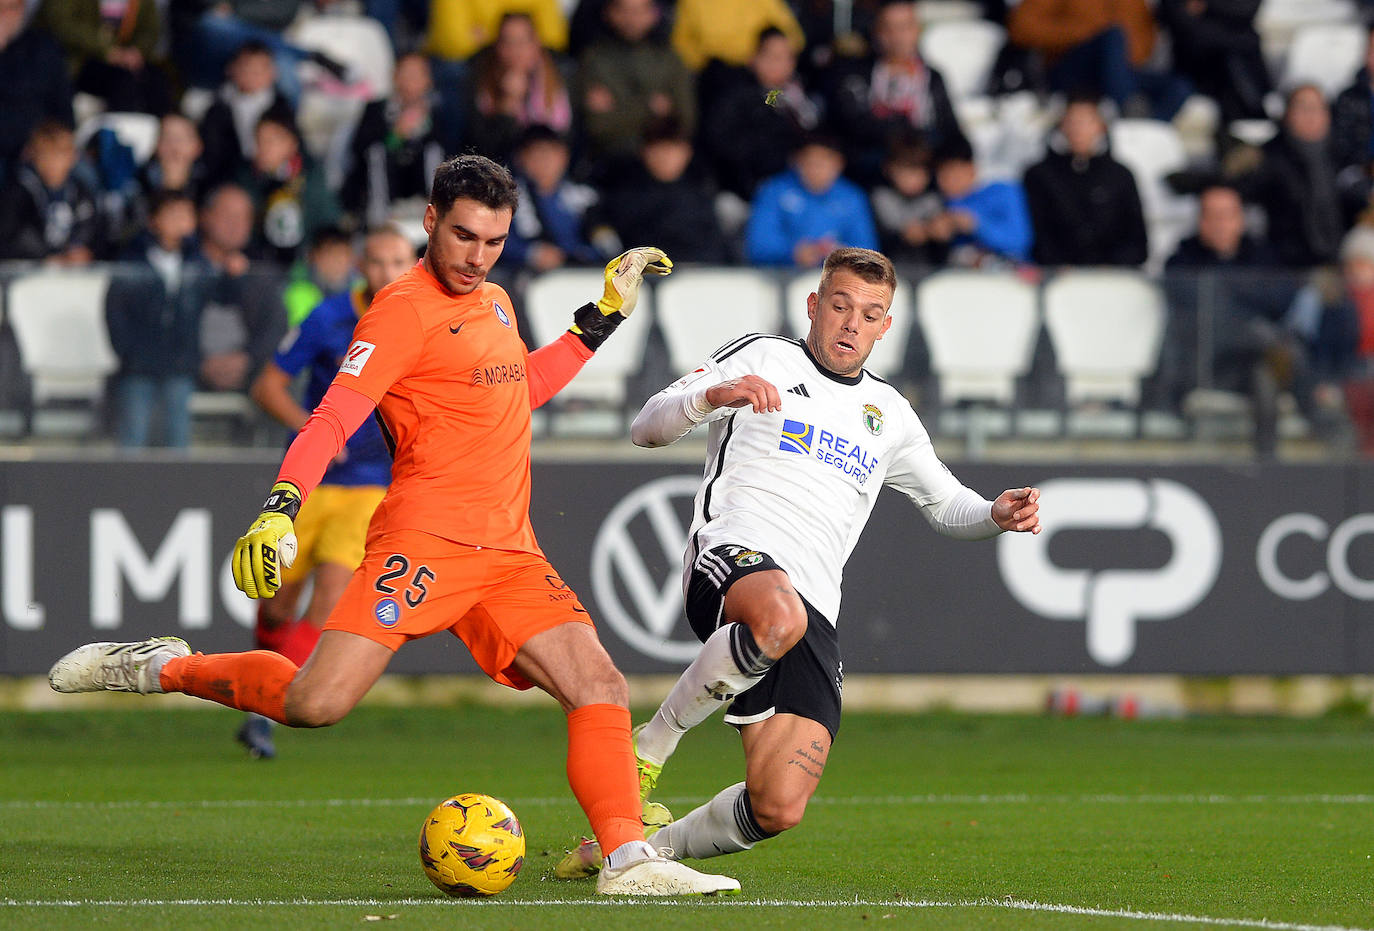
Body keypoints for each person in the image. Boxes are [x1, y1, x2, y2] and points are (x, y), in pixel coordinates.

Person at [47, 153, 740, 898]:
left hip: (507, 550)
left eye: (495, 241)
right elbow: (334, 414)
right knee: (317, 702)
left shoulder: (498, 302)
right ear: (431, 221)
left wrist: (600, 320)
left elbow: (519, 388)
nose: (478, 257)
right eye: (465, 236)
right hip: (425, 541)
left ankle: (627, 858)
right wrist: (283, 502)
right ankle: (164, 666)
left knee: (598, 681)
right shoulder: (399, 312)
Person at [554, 246, 1042, 878]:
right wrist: (715, 395)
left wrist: (994, 514)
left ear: (886, 326)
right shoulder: (763, 356)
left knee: (778, 804)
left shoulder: (890, 414)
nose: (851, 324)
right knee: (779, 616)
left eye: (870, 314)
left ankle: (634, 852)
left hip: (814, 610)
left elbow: (947, 504)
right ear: (814, 305)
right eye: (840, 306)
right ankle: (647, 752)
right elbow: (646, 426)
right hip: (732, 554)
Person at [236, 226, 415, 759]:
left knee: (330, 601)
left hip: (368, 489)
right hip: (311, 486)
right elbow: (267, 386)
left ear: (412, 263)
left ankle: (263, 713)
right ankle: (263, 684)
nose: (387, 273)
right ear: (361, 264)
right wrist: (312, 427)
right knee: (275, 609)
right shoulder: (328, 318)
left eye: (397, 262)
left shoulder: (418, 320)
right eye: (378, 262)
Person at [105, 190, 210, 448]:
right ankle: (127, 488)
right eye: (172, 215)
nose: (180, 222)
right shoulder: (133, 258)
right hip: (139, 364)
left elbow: (218, 297)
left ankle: (179, 489)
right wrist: (127, 351)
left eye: (186, 215)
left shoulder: (198, 261)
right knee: (134, 432)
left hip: (180, 363)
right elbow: (115, 309)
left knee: (178, 432)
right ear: (154, 220)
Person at [1022, 94, 1148, 268]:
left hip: (1113, 280)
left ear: (1101, 127)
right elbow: (1036, 234)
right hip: (1058, 279)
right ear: (1061, 126)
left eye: (1086, 121)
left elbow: (1137, 240)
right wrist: (1058, 266)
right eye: (1072, 121)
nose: (1078, 129)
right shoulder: (1039, 175)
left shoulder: (1121, 176)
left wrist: (1111, 268)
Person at [744, 133, 879, 267]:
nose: (815, 170)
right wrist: (793, 253)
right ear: (796, 162)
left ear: (839, 164)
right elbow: (759, 245)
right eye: (809, 162)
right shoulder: (773, 190)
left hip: (839, 278)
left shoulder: (852, 196)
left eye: (823, 163)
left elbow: (869, 250)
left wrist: (841, 255)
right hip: (779, 275)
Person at [0, 119, 102, 264]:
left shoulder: (81, 194)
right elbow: (8, 239)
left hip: (74, 276)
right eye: (45, 155)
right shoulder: (18, 193)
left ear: (72, 157)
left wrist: (82, 252)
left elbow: (95, 236)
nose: (52, 163)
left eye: (59, 155)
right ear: (32, 155)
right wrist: (48, 259)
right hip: (27, 275)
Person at [0, 0, 73, 186]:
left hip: (39, 149)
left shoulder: (43, 48)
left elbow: (64, 112)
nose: (4, 15)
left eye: (11, 8)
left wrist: (46, 145)